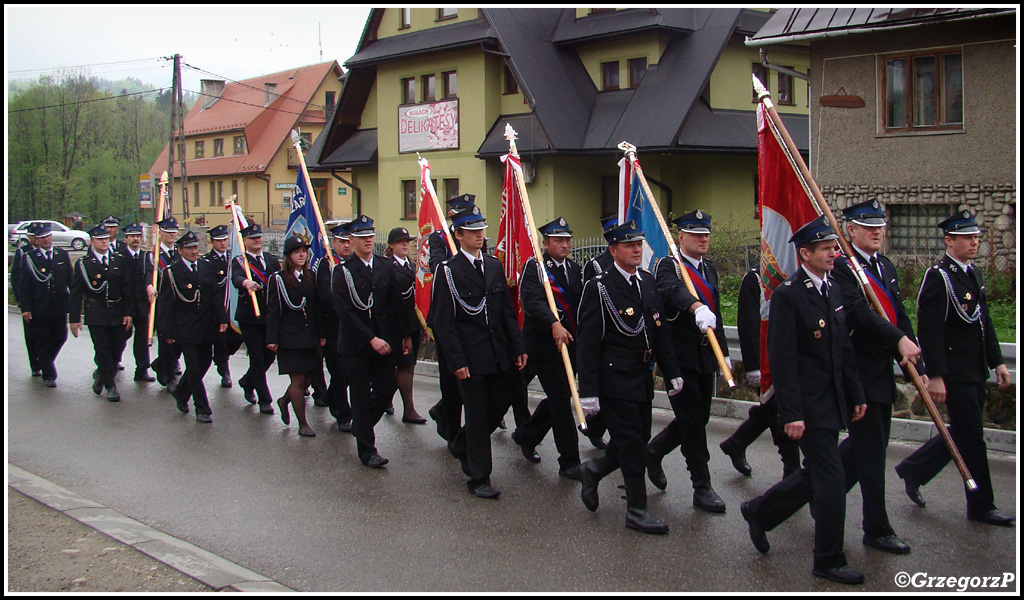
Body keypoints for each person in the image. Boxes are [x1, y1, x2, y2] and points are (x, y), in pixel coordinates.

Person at [739, 215, 868, 585]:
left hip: (834, 401)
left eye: (834, 247)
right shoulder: (788, 296)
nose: (834, 253)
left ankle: (760, 511)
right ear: (805, 253)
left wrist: (856, 393)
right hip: (808, 406)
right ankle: (828, 559)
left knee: (817, 474)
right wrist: (791, 413)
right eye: (827, 248)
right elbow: (783, 360)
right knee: (831, 479)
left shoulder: (832, 290)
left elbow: (842, 348)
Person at [894, 209, 1014, 527]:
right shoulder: (939, 277)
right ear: (950, 241)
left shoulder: (972, 273)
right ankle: (981, 504)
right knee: (973, 437)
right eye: (967, 238)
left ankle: (914, 470)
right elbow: (930, 330)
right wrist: (935, 375)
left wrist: (998, 362)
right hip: (953, 372)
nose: (974, 242)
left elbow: (983, 322)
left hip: (975, 369)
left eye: (976, 237)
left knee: (964, 433)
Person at [576, 220, 683, 534]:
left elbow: (659, 332)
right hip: (614, 377)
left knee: (634, 439)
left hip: (642, 375)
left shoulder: (647, 282)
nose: (637, 250)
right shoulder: (600, 287)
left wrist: (672, 372)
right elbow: (588, 342)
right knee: (633, 444)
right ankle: (637, 509)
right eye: (629, 245)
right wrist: (589, 392)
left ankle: (593, 471)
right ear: (613, 250)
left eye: (639, 244)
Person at [430, 206, 528, 498]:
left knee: (499, 404)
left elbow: (506, 313)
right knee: (476, 412)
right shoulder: (448, 271)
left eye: (481, 230)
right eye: (471, 231)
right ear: (458, 235)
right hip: (469, 357)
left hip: (498, 352)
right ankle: (479, 477)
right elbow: (442, 321)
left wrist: (518, 346)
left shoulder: (493, 265)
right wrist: (456, 360)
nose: (479, 236)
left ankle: (462, 445)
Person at [646, 209, 729, 513]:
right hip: (679, 359)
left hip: (706, 353)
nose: (703, 238)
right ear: (681, 237)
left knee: (698, 418)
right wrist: (694, 306)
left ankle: (653, 451)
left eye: (706, 233)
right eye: (696, 234)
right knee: (693, 423)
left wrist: (725, 354)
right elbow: (670, 291)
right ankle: (702, 486)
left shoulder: (708, 268)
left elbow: (716, 312)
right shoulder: (670, 266)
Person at [333, 215, 414, 468]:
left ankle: (361, 423)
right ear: (352, 240)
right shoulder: (342, 271)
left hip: (386, 341)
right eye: (362, 236)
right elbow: (345, 312)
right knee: (359, 394)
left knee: (386, 389)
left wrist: (405, 334)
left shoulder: (384, 265)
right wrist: (370, 339)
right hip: (357, 345)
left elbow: (396, 303)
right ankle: (368, 450)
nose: (368, 240)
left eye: (370, 235)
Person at [510, 217, 585, 480]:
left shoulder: (575, 269)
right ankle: (570, 462)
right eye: (558, 240)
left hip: (570, 344)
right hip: (543, 344)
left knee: (560, 395)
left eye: (567, 240)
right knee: (561, 399)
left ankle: (526, 435)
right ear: (545, 243)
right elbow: (532, 301)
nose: (564, 245)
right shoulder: (535, 268)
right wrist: (553, 323)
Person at [718, 264, 800, 480]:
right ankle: (791, 468)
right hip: (766, 361)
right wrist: (754, 366)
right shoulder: (754, 278)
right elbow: (749, 324)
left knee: (771, 409)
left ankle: (736, 443)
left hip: (788, 359)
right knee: (778, 410)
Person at [158, 231, 228, 423]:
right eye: (189, 248)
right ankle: (202, 408)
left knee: (205, 363)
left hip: (207, 326)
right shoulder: (171, 272)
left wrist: (221, 318)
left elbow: (215, 295)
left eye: (196, 248)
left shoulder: (206, 267)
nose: (194, 252)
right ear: (180, 251)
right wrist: (166, 331)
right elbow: (166, 304)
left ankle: (181, 392)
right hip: (186, 328)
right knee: (194, 368)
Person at [426, 193, 477, 443]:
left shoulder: (475, 237)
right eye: (460, 215)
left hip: (471, 314)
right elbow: (436, 267)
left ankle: (446, 414)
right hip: (447, 315)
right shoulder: (439, 239)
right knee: (451, 378)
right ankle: (452, 429)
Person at [267, 235, 326, 437]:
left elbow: (316, 308)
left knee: (309, 377)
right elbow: (274, 311)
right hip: (290, 337)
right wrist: (272, 338)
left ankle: (284, 400)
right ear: (288, 255)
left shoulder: (310, 276)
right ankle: (302, 423)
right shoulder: (279, 279)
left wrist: (321, 333)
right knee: (298, 380)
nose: (301, 255)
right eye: (296, 252)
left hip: (310, 335)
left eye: (304, 251)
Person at [69, 225, 136, 402]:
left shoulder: (118, 260)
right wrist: (74, 319)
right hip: (96, 312)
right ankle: (110, 385)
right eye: (100, 239)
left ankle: (101, 374)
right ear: (92, 242)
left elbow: (127, 288)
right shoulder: (84, 264)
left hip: (117, 310)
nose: (105, 242)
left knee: (117, 347)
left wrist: (128, 313)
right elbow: (76, 292)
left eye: (106, 238)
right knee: (103, 348)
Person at [232, 223, 280, 415]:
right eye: (253, 238)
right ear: (244, 241)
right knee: (257, 358)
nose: (257, 240)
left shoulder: (270, 260)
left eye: (259, 237)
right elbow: (235, 278)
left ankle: (247, 381)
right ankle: (264, 400)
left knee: (269, 356)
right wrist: (246, 282)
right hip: (250, 317)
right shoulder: (240, 261)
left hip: (269, 316)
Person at [18, 222, 72, 388]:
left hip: (59, 306)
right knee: (41, 340)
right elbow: (24, 285)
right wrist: (25, 308)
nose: (47, 240)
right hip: (39, 307)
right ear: (37, 241)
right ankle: (49, 374)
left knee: (60, 336)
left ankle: (44, 360)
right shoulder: (30, 258)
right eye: (42, 238)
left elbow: (71, 279)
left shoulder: (61, 255)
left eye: (48, 236)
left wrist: (75, 302)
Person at [315, 222, 355, 432]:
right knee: (339, 372)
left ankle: (330, 396)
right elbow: (325, 293)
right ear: (333, 243)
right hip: (333, 327)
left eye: (349, 242)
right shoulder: (326, 265)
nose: (347, 246)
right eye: (342, 242)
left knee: (348, 373)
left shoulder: (354, 264)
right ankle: (343, 414)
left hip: (353, 327)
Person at [385, 226, 427, 425]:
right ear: (391, 245)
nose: (405, 245)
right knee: (405, 365)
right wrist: (405, 334)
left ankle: (384, 398)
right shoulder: (389, 267)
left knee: (408, 365)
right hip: (398, 326)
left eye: (407, 241)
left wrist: (422, 326)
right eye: (401, 241)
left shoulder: (410, 265)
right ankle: (408, 409)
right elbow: (395, 303)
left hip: (412, 323)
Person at [115, 223, 157, 382]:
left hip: (141, 304)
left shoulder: (146, 256)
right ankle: (110, 364)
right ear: (125, 238)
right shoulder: (119, 256)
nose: (135, 239)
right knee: (121, 336)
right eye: (132, 236)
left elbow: (148, 273)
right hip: (124, 305)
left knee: (141, 339)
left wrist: (149, 285)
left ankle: (142, 370)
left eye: (138, 236)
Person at [204, 224, 241, 388]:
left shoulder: (233, 258)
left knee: (237, 337)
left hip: (232, 307)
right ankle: (224, 370)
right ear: (212, 242)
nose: (223, 243)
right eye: (219, 241)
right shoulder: (207, 262)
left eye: (225, 240)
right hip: (216, 308)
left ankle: (223, 357)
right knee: (220, 340)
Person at [150, 217, 182, 390]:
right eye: (168, 232)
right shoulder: (153, 255)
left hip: (180, 303)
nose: (171, 235)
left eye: (174, 232)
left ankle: (160, 364)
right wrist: (149, 285)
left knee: (179, 341)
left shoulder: (179, 254)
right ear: (160, 233)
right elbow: (148, 274)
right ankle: (169, 376)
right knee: (166, 340)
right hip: (162, 304)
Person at [13, 226, 42, 377]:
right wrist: (20, 300)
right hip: (29, 300)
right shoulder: (23, 252)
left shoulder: (46, 252)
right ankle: (35, 364)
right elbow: (17, 278)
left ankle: (45, 359)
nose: (39, 240)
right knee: (31, 334)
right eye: (36, 237)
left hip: (45, 301)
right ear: (30, 237)